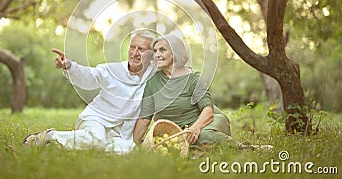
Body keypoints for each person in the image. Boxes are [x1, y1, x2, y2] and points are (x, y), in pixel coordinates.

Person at [23, 30, 156, 154]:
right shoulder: (112, 71)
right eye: (132, 47)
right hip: (95, 119)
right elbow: (88, 76)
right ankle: (49, 136)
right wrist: (69, 66)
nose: (135, 53)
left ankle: (66, 143)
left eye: (141, 49)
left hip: (119, 132)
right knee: (97, 141)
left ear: (151, 54)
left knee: (127, 149)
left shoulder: (154, 75)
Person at [133, 34, 232, 146]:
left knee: (202, 137)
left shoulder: (193, 78)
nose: (157, 55)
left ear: (175, 53)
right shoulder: (152, 82)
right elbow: (144, 119)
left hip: (204, 123)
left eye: (162, 50)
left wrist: (194, 129)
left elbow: (208, 111)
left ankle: (243, 147)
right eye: (155, 51)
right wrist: (132, 144)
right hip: (175, 132)